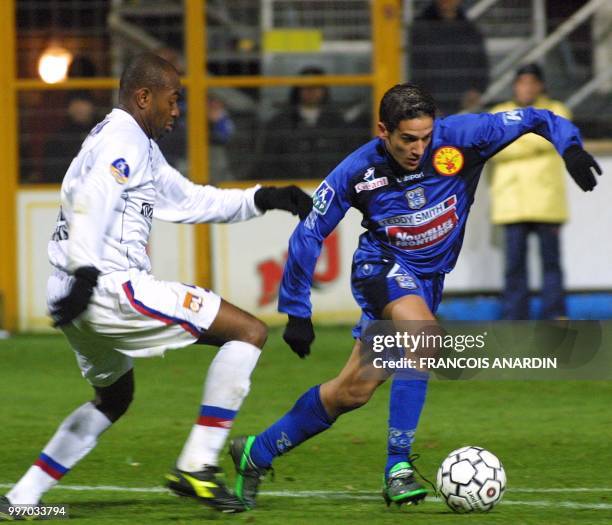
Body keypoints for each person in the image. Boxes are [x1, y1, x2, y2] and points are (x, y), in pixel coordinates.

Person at [227, 82, 602, 510]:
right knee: (426, 338)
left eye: (425, 137)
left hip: (425, 283)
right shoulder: (358, 170)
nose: (418, 149)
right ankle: (397, 467)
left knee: (351, 392)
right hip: (380, 270)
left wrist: (568, 147)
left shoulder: (464, 137)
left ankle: (256, 453)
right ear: (383, 130)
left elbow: (537, 118)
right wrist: (296, 310)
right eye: (407, 139)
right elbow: (310, 232)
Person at [0, 53, 311, 517]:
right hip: (107, 287)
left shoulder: (132, 143)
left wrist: (262, 198)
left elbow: (188, 200)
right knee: (248, 332)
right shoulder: (123, 138)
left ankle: (22, 499)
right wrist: (87, 270)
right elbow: (92, 198)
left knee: (114, 397)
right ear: (144, 97)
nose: (177, 110)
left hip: (73, 290)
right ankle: (197, 464)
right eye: (174, 99)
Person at [489, 64, 572, 320]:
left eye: (531, 82)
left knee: (551, 263)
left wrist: (513, 139)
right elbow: (492, 147)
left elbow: (558, 138)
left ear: (540, 85)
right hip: (511, 203)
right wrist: (535, 139)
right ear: (515, 85)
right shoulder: (498, 112)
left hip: (547, 202)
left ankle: (554, 313)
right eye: (521, 82)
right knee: (514, 265)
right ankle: (515, 315)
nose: (526, 87)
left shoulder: (557, 109)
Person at [254, 66, 348, 180]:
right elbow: (268, 162)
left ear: (324, 90)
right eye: (305, 86)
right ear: (297, 89)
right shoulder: (280, 122)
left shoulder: (337, 122)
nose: (311, 91)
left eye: (316, 86)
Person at [409, 0, 489, 115]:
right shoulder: (420, 28)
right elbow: (414, 67)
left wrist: (477, 90)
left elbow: (481, 64)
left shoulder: (470, 29)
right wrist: (425, 101)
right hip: (429, 105)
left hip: (463, 104)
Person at [42, 91, 98, 183]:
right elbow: (52, 172)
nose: (78, 107)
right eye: (75, 103)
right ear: (68, 108)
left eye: (83, 102)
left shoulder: (103, 134)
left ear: (92, 107)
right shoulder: (57, 139)